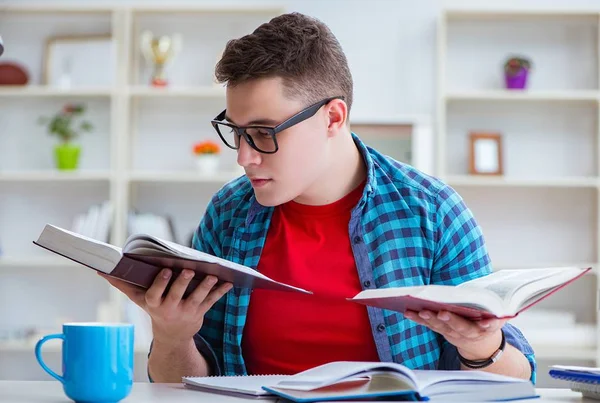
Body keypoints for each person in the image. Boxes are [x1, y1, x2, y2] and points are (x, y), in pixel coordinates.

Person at [101, 12, 535, 384]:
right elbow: (185, 386)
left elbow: (519, 378)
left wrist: (482, 346)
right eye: (236, 132)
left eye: (263, 133)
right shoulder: (228, 213)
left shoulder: (433, 212)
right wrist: (173, 334)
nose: (244, 157)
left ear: (332, 117)